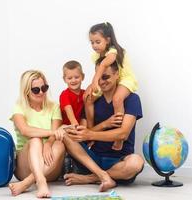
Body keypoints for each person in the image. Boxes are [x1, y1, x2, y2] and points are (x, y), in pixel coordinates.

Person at [64, 58, 144, 186]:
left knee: (136, 162)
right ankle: (101, 175)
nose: (101, 81)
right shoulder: (92, 100)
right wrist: (104, 125)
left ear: (117, 74)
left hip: (119, 163)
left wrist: (90, 134)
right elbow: (83, 135)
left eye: (106, 77)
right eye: (99, 77)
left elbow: (123, 134)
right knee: (65, 133)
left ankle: (91, 178)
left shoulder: (131, 99)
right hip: (93, 160)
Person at [9, 70, 66, 198]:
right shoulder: (19, 107)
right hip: (25, 166)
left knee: (60, 144)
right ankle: (40, 181)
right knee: (35, 140)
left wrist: (48, 144)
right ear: (26, 91)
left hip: (50, 165)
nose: (41, 92)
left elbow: (55, 135)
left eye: (44, 88)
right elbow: (25, 130)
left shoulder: (54, 106)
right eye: (36, 90)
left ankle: (26, 183)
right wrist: (51, 133)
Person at [84, 22, 138, 151]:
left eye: (97, 42)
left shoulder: (114, 50)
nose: (94, 45)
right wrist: (92, 87)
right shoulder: (96, 56)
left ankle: (118, 138)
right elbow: (99, 70)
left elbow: (102, 67)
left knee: (117, 99)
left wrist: (95, 81)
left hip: (124, 79)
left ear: (108, 40)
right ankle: (90, 132)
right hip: (109, 79)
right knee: (87, 97)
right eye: (92, 42)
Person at [59, 60, 85, 126]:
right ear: (64, 79)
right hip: (67, 127)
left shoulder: (85, 93)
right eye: (69, 78)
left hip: (82, 127)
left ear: (83, 77)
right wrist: (75, 124)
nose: (73, 80)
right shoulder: (64, 94)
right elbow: (69, 110)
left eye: (76, 77)